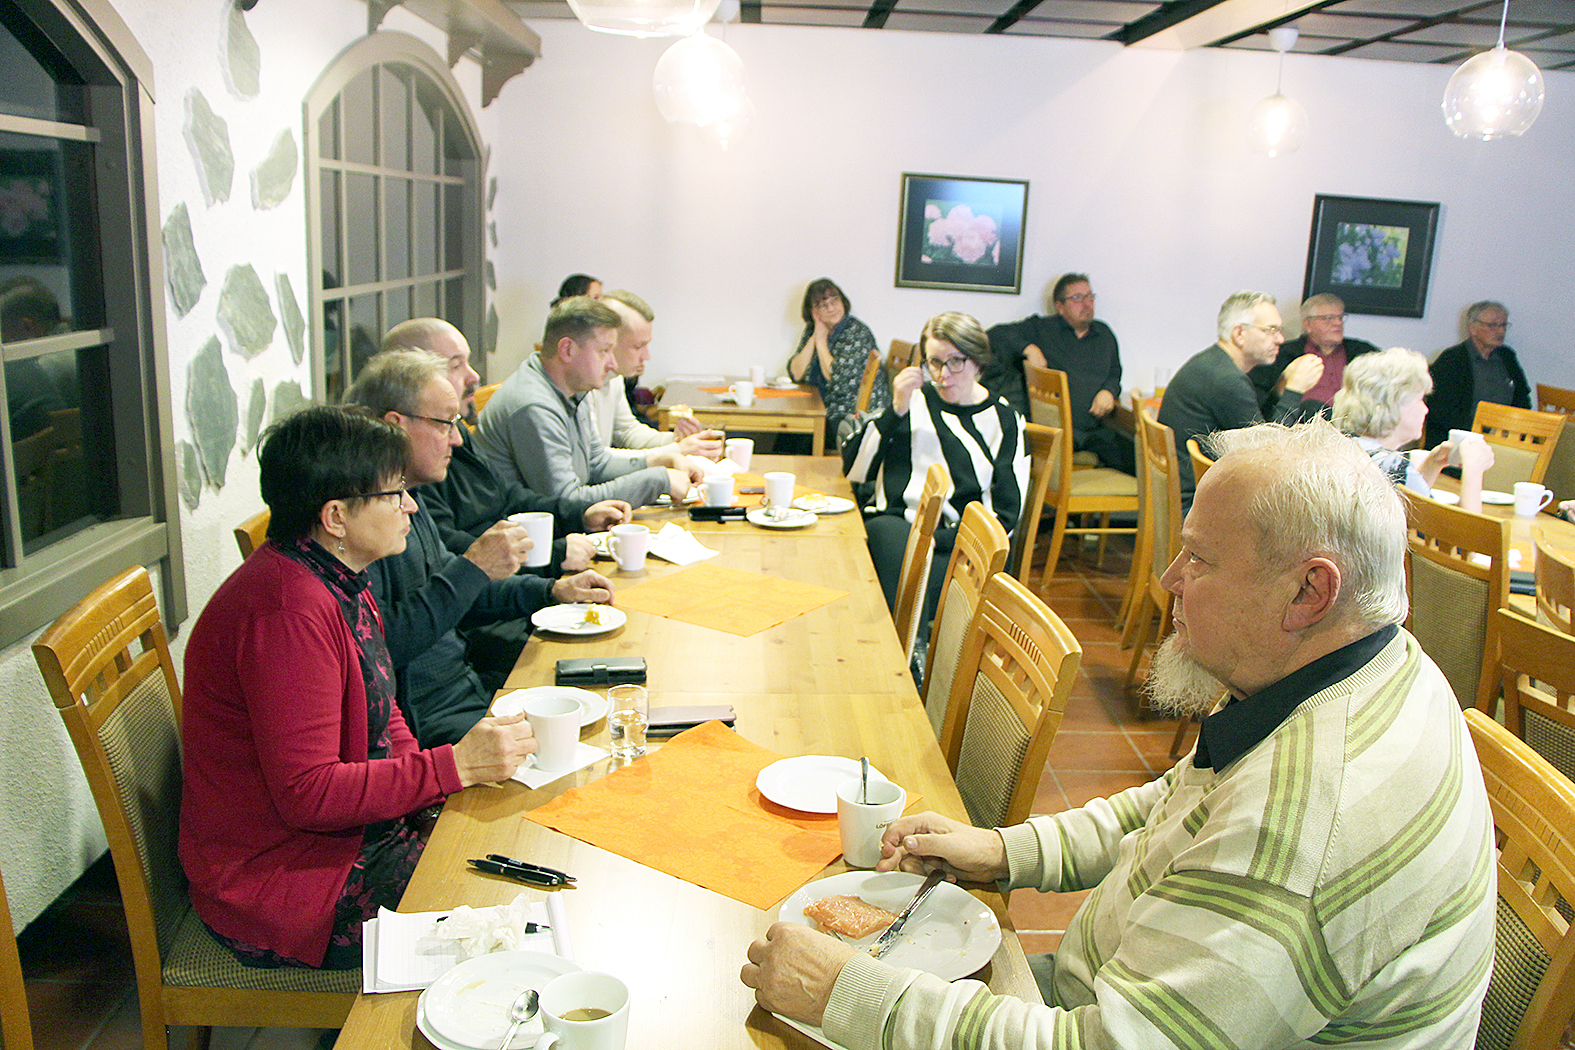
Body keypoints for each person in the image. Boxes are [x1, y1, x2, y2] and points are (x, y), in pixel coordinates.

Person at [744, 420, 1496, 1050]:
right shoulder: (1368, 664)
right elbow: (1176, 802)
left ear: (1309, 592)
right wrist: (1006, 850)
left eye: (1197, 558)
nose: (1166, 578)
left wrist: (842, 992)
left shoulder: (1305, 822)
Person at [180, 406, 538, 970]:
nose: (411, 506)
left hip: (342, 837)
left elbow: (383, 707)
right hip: (285, 878)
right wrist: (454, 768)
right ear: (336, 516)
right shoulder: (286, 612)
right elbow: (309, 794)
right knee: (503, 912)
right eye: (395, 494)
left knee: (506, 839)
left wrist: (432, 785)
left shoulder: (337, 573)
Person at [345, 349, 616, 747]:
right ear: (396, 425)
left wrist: (552, 591)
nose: (457, 438)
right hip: (432, 726)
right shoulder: (363, 520)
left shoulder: (406, 496)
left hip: (468, 691)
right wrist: (471, 569)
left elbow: (462, 595)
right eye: (445, 424)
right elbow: (384, 647)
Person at [379, 318, 631, 689]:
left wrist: (556, 578)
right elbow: (391, 643)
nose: (472, 374)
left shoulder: (430, 459)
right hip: (474, 649)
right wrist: (551, 556)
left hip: (481, 632)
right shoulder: (396, 493)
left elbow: (503, 500)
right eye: (455, 364)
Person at [844, 312, 1028, 629]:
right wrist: (896, 409)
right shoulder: (911, 401)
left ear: (978, 362)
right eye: (934, 362)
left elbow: (1008, 512)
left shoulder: (1006, 419)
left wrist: (940, 540)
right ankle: (906, 654)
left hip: (962, 542)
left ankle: (908, 655)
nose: (944, 374)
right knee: (897, 557)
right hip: (898, 522)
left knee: (918, 580)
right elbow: (856, 470)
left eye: (956, 361)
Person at [476, 297, 697, 508]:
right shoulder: (533, 405)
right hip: (522, 533)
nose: (612, 363)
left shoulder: (572, 388)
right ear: (567, 350)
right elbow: (566, 502)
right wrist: (657, 480)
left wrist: (662, 461)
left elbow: (597, 464)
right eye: (604, 351)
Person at [1158, 290, 1324, 510]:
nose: (1280, 339)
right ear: (1239, 334)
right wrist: (1294, 390)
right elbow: (1267, 457)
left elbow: (1255, 429)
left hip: (1183, 495)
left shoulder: (1212, 363)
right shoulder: (1227, 380)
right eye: (1270, 330)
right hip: (1199, 506)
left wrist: (1279, 391)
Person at [983, 273, 1133, 473]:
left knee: (1139, 455)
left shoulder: (1104, 334)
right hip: (1057, 432)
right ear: (1060, 306)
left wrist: (1109, 391)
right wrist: (1029, 348)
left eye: (1089, 296)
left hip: (1094, 429)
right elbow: (995, 334)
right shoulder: (1043, 329)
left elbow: (1115, 373)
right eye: (1077, 298)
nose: (1086, 304)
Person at [1333, 347, 1494, 513]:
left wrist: (1433, 463)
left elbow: (1413, 509)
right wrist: (1473, 470)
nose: (1426, 409)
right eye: (1419, 400)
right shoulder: (1393, 467)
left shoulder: (1346, 447)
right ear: (1393, 405)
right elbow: (1463, 535)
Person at [589, 290, 723, 463]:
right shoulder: (583, 384)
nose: (646, 356)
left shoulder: (614, 378)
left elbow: (628, 432)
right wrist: (677, 450)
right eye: (639, 346)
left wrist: (676, 440)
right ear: (609, 341)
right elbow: (597, 459)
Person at [787, 279, 889, 446]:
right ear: (813, 312)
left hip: (849, 415)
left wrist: (821, 343)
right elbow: (795, 373)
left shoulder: (856, 332)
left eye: (835, 300)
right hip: (822, 408)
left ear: (843, 302)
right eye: (822, 305)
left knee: (794, 437)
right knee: (787, 432)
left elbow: (838, 379)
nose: (831, 308)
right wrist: (815, 336)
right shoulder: (813, 330)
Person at [1249, 292, 1378, 422]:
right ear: (1307, 324)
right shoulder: (1279, 354)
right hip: (1298, 429)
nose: (1338, 323)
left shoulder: (1363, 353)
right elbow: (1260, 403)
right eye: (1329, 318)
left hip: (1353, 428)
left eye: (1340, 317)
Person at [1425, 300, 1531, 449]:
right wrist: (1480, 433)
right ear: (1473, 328)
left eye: (1503, 325)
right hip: (1460, 441)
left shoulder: (1507, 357)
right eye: (1493, 325)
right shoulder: (1452, 359)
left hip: (1504, 440)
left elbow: (1522, 399)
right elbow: (1441, 411)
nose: (1501, 331)